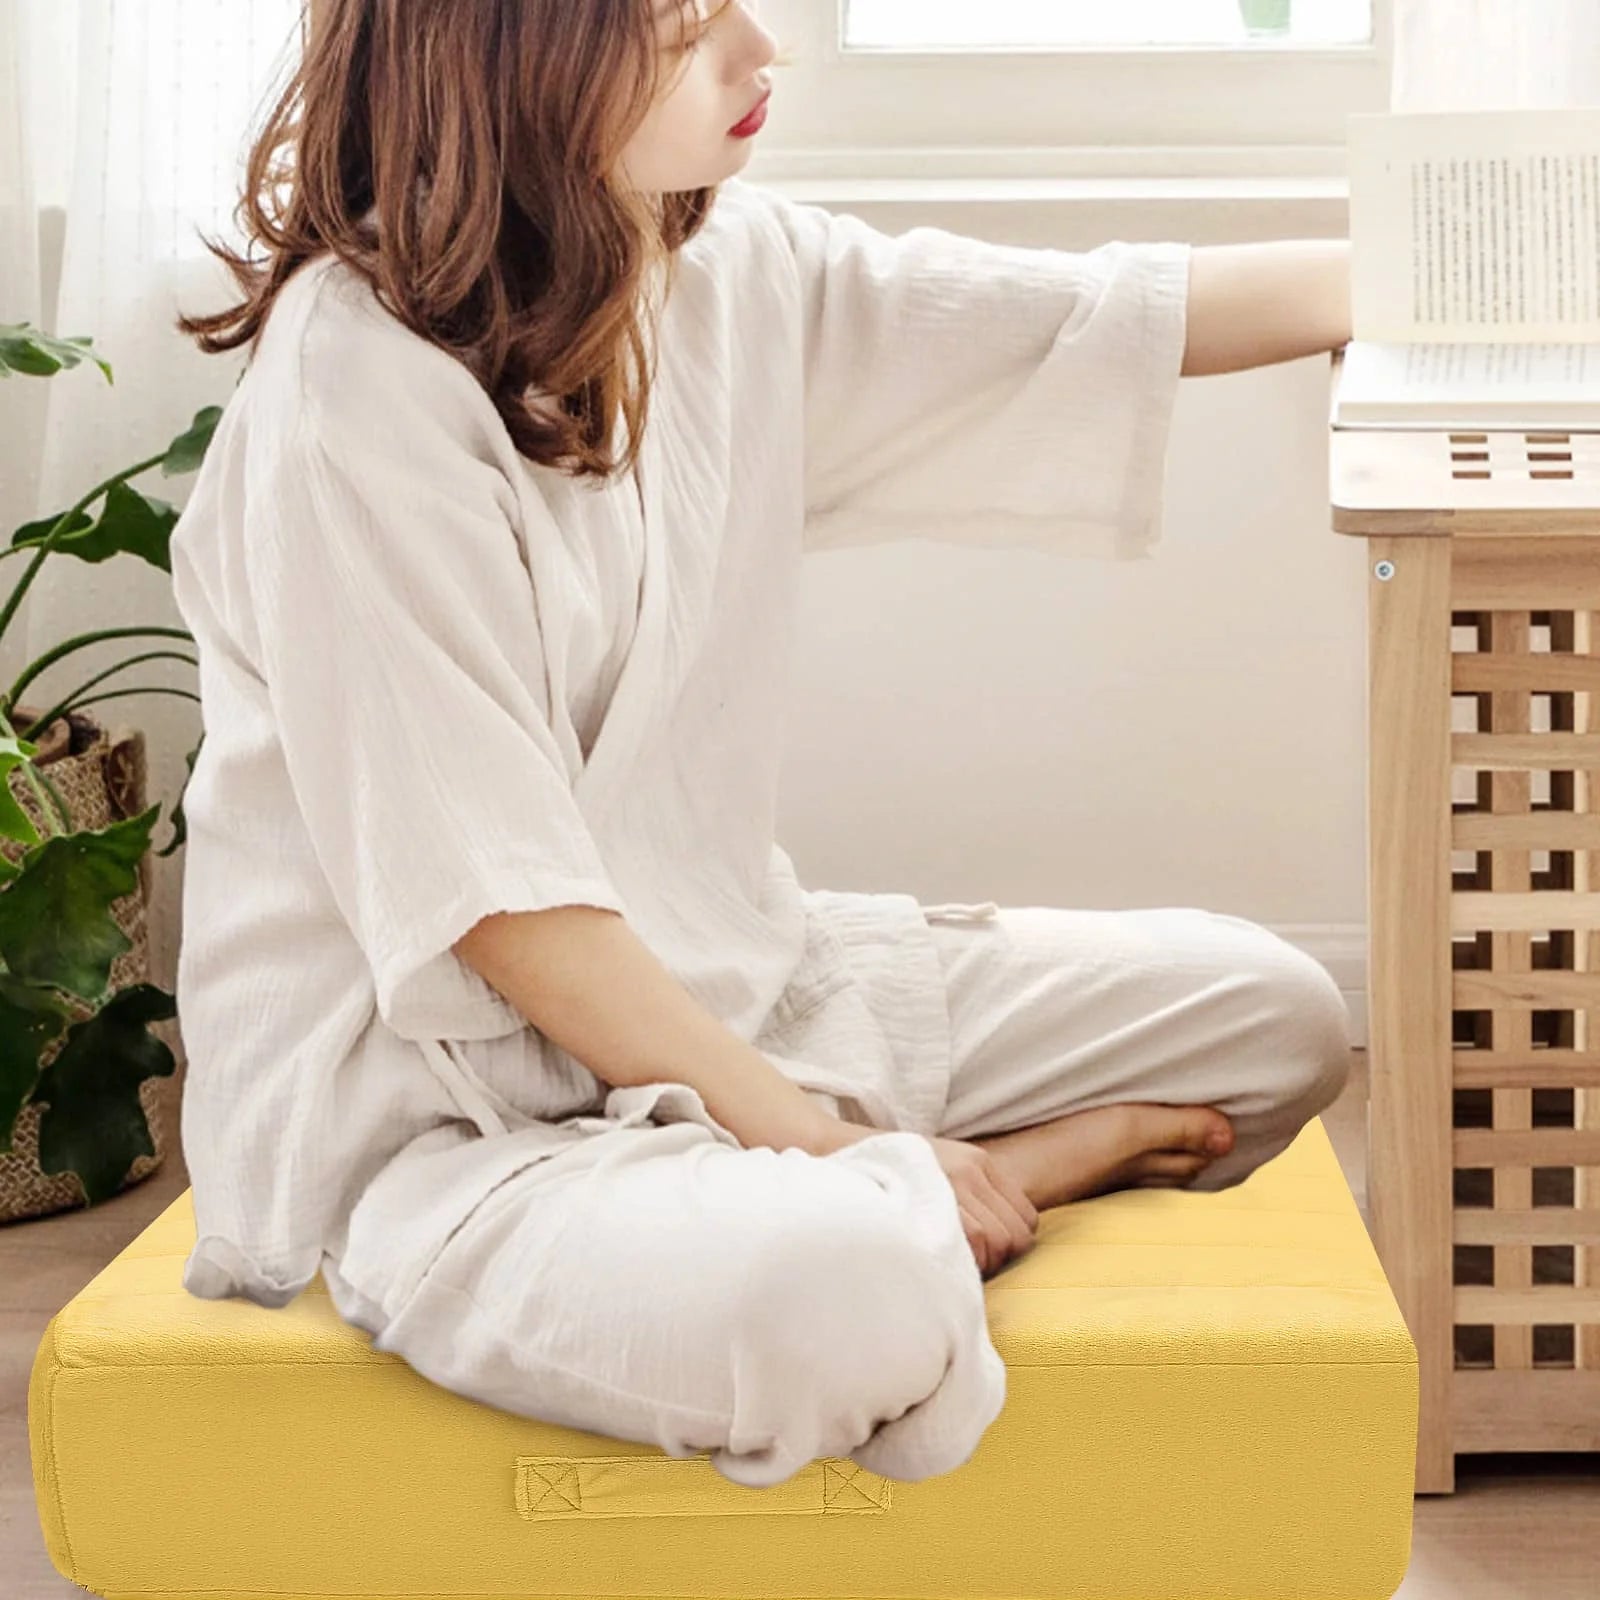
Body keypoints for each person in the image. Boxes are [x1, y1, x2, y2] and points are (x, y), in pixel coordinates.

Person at [167, 0, 1352, 1488]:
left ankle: (891, 1187)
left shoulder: (709, 268)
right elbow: (503, 914)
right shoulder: (352, 394)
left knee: (1280, 1015)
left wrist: (1428, 285)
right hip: (454, 1127)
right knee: (830, 1302)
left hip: (737, 983)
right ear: (509, 52)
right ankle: (969, 1184)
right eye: (686, 26)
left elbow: (1092, 313)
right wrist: (831, 1149)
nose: (759, 49)